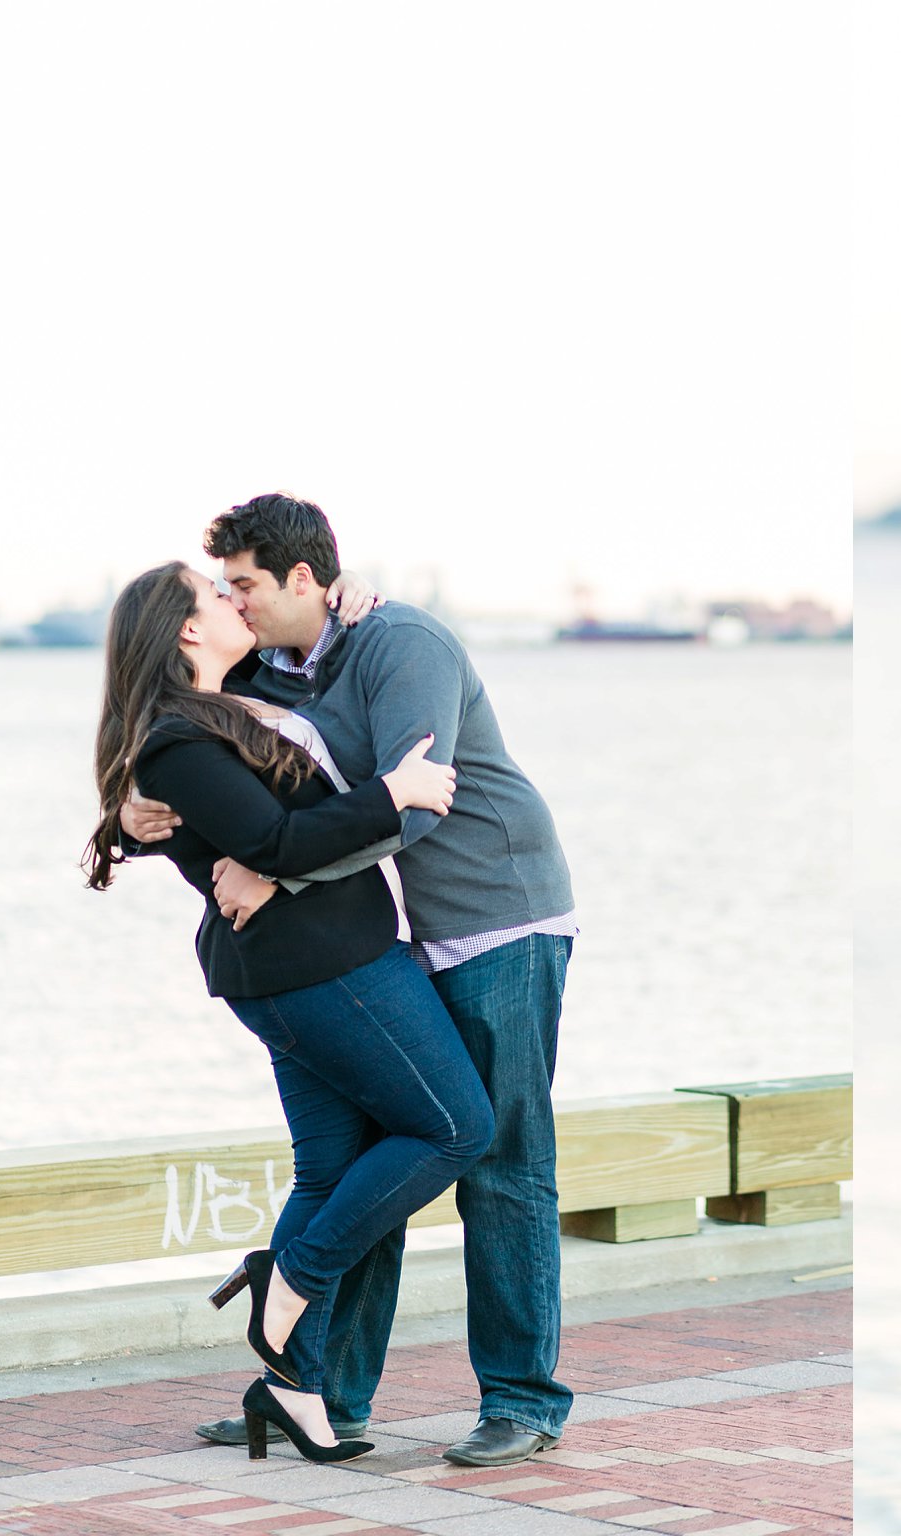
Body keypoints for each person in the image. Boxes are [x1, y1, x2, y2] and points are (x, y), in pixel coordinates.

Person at [121, 494, 579, 1468]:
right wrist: (131, 808)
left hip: (493, 913)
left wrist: (274, 866)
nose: (235, 604)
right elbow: (192, 740)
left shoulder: (399, 643)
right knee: (380, 1154)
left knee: (497, 1159)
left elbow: (414, 804)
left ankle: (521, 1401)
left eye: (248, 585)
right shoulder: (270, 664)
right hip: (389, 936)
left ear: (302, 581)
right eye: (225, 590)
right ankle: (321, 1393)